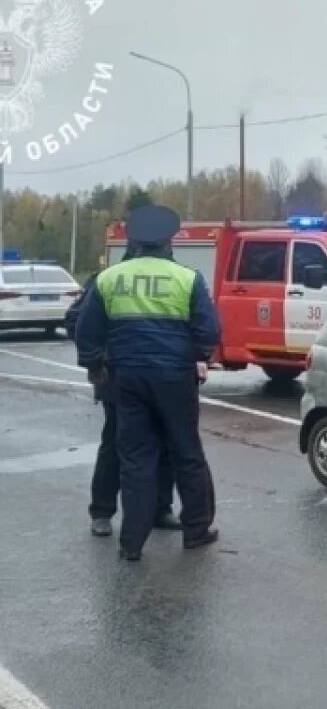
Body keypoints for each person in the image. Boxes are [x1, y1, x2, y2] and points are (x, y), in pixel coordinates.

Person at [75, 204, 222, 561]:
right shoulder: (187, 278)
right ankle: (196, 530)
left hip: (127, 377)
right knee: (186, 451)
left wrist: (94, 366)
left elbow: (86, 329)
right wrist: (196, 355)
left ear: (133, 241)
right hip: (174, 376)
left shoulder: (110, 278)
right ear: (169, 242)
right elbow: (209, 330)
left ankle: (131, 544)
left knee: (135, 459)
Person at [66, 255, 181, 538]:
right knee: (116, 443)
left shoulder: (175, 277)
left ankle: (160, 508)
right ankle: (102, 511)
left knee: (164, 442)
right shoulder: (108, 279)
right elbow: (76, 320)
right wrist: (98, 359)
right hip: (118, 376)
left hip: (162, 376)